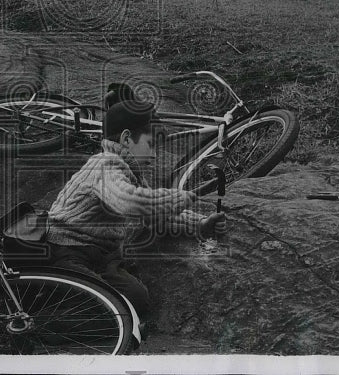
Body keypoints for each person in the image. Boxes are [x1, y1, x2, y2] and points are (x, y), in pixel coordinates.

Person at [46, 98, 226, 318]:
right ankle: (47, 327)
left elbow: (153, 217)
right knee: (103, 302)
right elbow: (128, 202)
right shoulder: (104, 163)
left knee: (135, 300)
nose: (155, 154)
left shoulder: (130, 172)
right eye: (150, 144)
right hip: (67, 249)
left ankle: (99, 326)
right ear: (126, 138)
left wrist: (199, 223)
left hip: (102, 254)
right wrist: (178, 198)